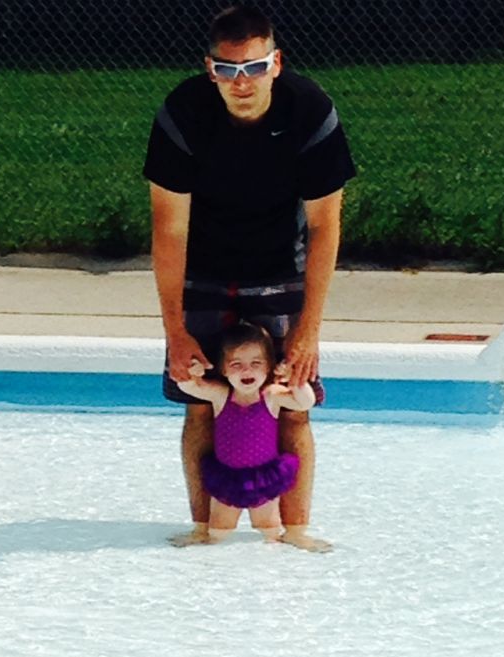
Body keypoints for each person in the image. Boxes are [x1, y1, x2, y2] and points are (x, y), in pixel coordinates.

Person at [143, 5, 356, 551]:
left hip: (279, 269)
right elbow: (169, 230)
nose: (242, 82)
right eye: (228, 69)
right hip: (204, 272)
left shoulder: (310, 110)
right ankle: (204, 529)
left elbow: (325, 226)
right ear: (209, 68)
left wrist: (309, 327)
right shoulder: (183, 113)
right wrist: (175, 330)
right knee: (199, 405)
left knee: (291, 398)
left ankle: (295, 531)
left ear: (276, 62)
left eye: (254, 67)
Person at [177, 323, 322, 546]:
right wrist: (193, 373)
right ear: (224, 370)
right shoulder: (221, 395)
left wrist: (295, 381)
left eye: (256, 363)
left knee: (269, 528)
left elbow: (305, 402)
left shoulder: (272, 395)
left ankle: (273, 560)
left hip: (265, 476)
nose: (247, 371)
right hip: (226, 476)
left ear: (268, 368)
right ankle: (208, 557)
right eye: (237, 364)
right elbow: (189, 387)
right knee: (218, 530)